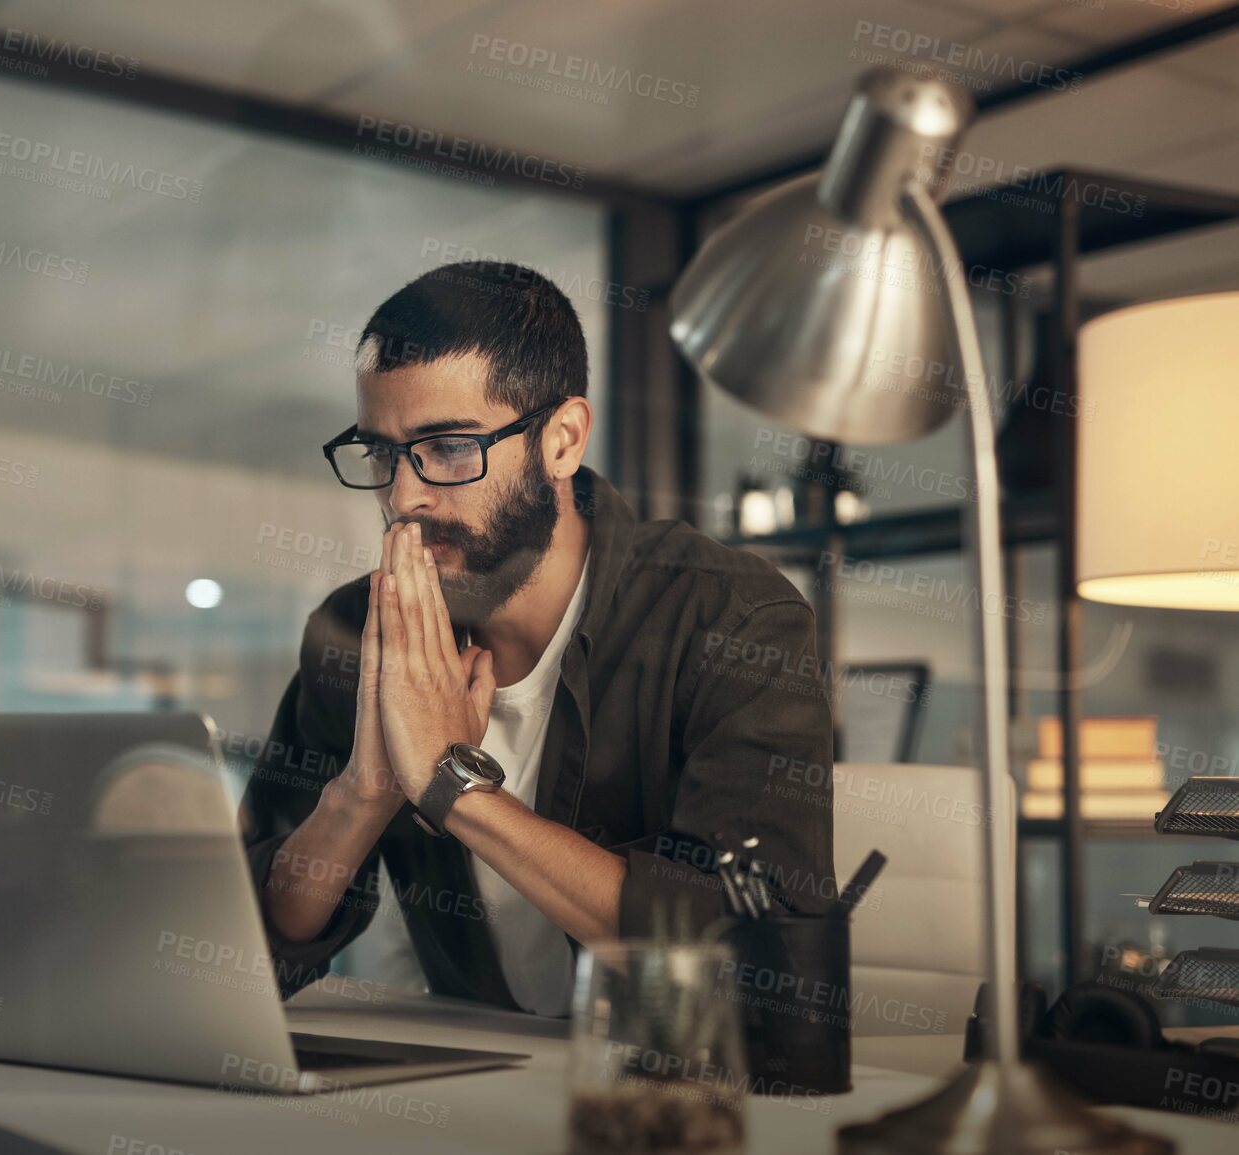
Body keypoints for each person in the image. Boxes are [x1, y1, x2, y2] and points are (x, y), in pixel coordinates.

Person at [239, 261, 834, 1016]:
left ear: (561, 439)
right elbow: (250, 947)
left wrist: (450, 783)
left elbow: (760, 957)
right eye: (382, 452)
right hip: (472, 1091)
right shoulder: (358, 632)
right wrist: (365, 794)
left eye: (448, 446)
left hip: (667, 1099)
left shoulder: (729, 617)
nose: (402, 496)